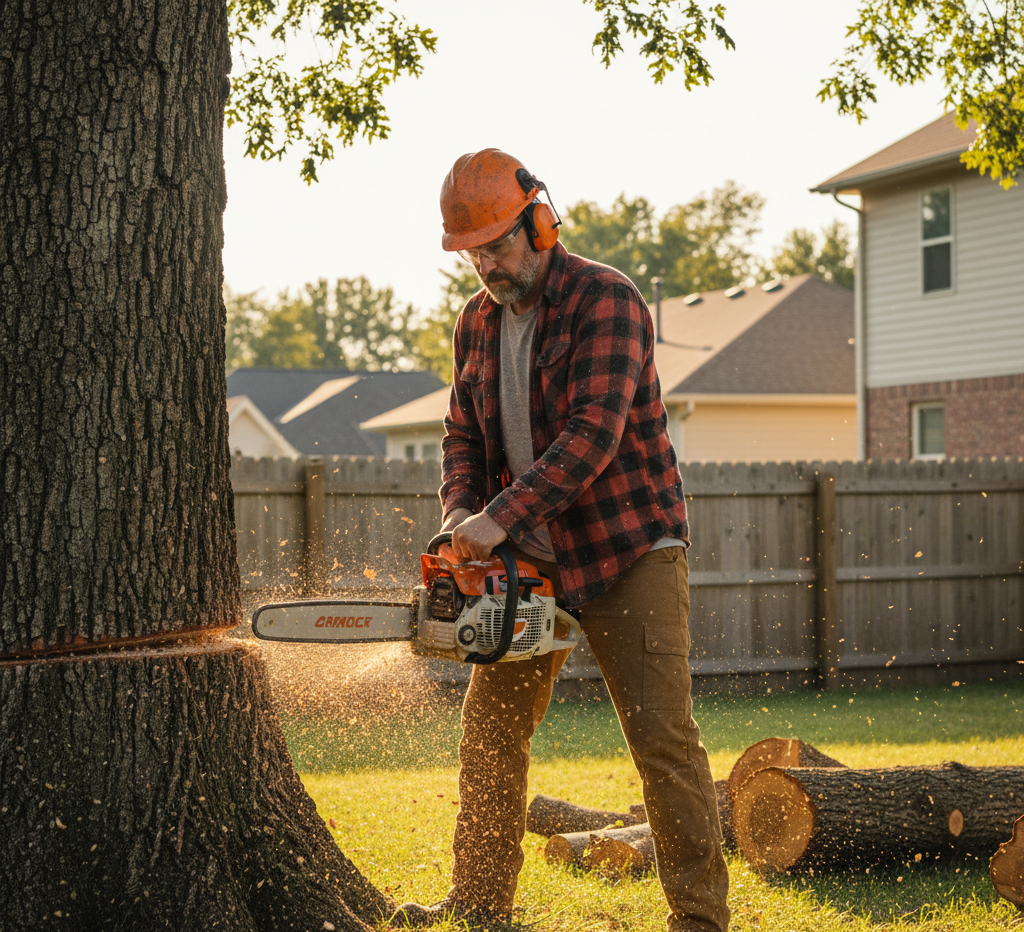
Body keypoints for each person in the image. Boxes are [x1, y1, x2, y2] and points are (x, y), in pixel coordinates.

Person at [392, 150, 729, 932]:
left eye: (498, 245)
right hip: (527, 562)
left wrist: (497, 519)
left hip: (627, 547)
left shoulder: (605, 299)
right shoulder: (475, 323)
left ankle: (700, 921)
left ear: (540, 222)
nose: (486, 265)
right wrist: (458, 516)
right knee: (491, 731)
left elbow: (591, 437)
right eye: (471, 251)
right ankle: (479, 903)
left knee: (662, 739)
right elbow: (461, 439)